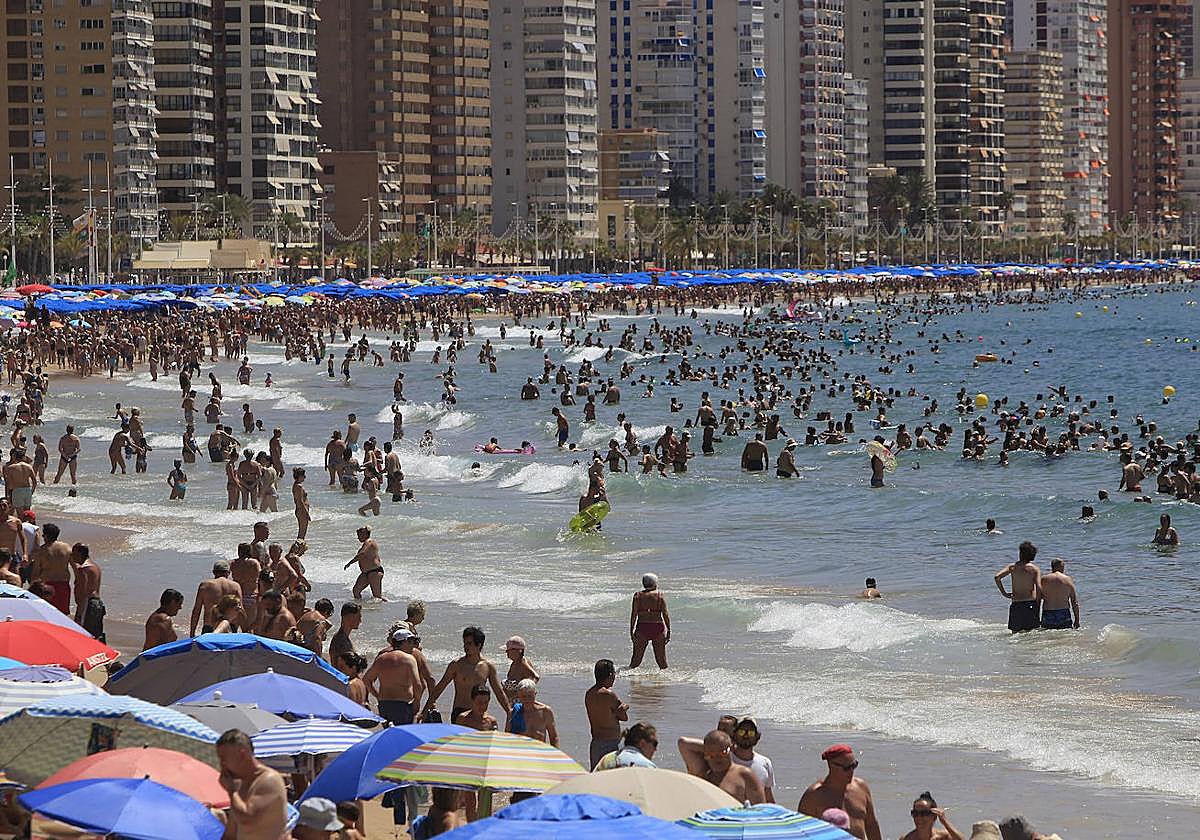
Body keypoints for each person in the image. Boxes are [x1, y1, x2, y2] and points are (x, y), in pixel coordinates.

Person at [421, 626, 511, 722]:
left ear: (479, 645)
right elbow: (440, 688)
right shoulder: (456, 665)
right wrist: (425, 710)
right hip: (459, 712)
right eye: (464, 643)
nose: (465, 646)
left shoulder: (488, 667)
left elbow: (499, 692)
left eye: (469, 643)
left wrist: (509, 711)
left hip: (479, 713)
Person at [215, 729, 289, 840]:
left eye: (224, 759)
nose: (222, 764)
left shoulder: (269, 780)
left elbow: (247, 818)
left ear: (242, 755)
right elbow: (231, 833)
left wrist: (231, 791)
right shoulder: (241, 784)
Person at [798, 744, 882, 840]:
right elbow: (801, 833)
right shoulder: (814, 796)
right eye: (846, 768)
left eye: (854, 765)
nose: (851, 771)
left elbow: (871, 825)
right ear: (831, 766)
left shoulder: (861, 787)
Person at [677, 729, 765, 804]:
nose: (717, 758)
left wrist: (715, 750)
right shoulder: (702, 773)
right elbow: (683, 743)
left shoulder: (744, 774)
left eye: (722, 753)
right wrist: (711, 748)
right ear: (705, 753)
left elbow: (761, 810)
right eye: (711, 754)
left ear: (731, 749)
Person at [363, 628, 424, 726]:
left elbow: (366, 679)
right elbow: (418, 685)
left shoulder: (381, 658)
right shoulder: (409, 659)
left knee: (388, 735)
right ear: (404, 642)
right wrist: (417, 701)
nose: (413, 645)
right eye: (411, 641)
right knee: (402, 735)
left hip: (384, 705)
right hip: (403, 705)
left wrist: (377, 695)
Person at [584, 658, 629, 768]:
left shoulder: (589, 694)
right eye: (614, 673)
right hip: (611, 742)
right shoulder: (609, 695)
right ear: (610, 675)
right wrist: (625, 707)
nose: (614, 677)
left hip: (596, 743)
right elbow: (623, 717)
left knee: (596, 776)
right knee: (612, 777)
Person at [994, 541, 1041, 634]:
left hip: (1016, 604)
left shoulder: (1012, 567)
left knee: (1015, 634)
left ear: (1020, 553)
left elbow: (997, 577)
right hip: (1030, 603)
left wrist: (1005, 594)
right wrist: (1038, 603)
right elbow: (1039, 587)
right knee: (1031, 634)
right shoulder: (1034, 569)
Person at [629, 572, 670, 669]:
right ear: (655, 583)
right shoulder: (660, 596)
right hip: (658, 628)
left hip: (642, 627)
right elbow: (665, 614)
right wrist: (669, 630)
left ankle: (628, 679)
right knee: (662, 662)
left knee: (635, 662)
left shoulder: (638, 596)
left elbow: (634, 615)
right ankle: (664, 682)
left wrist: (631, 631)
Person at [28, 522, 71, 615]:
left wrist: (31, 590)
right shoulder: (67, 548)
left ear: (46, 536)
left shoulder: (41, 551)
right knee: (62, 615)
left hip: (47, 587)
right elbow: (76, 567)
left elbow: (35, 573)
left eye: (43, 535)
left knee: (47, 614)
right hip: (64, 584)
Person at [729, 717, 776, 803]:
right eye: (741, 732)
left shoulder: (765, 763)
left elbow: (768, 798)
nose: (746, 735)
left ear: (757, 736)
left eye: (751, 732)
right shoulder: (726, 760)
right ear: (734, 734)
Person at [190, 559, 241, 636]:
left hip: (209, 626)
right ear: (228, 573)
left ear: (214, 572)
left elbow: (197, 610)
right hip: (230, 626)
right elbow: (240, 610)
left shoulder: (205, 585)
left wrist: (192, 632)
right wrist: (244, 630)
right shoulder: (235, 586)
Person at [506, 678, 558, 746]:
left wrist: (554, 755)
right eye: (524, 696)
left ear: (535, 694)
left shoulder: (545, 712)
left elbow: (554, 737)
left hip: (539, 753)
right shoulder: (513, 713)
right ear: (519, 695)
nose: (527, 700)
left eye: (530, 696)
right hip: (520, 752)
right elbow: (506, 737)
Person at [899, 792, 965, 840]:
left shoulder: (943, 837)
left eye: (924, 813)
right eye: (915, 813)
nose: (919, 818)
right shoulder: (907, 838)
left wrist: (944, 821)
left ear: (934, 816)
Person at [593, 722, 658, 770]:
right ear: (642, 743)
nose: (655, 749)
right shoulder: (648, 766)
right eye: (655, 744)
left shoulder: (605, 760)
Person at [344, 526, 386, 601]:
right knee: (356, 591)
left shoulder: (369, 542)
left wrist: (350, 563)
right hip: (366, 573)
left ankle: (387, 607)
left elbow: (362, 554)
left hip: (374, 571)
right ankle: (360, 607)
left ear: (365, 534)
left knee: (377, 597)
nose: (358, 538)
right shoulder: (365, 544)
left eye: (359, 535)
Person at [1039, 558, 1080, 629]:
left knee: (1048, 638)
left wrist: (1036, 616)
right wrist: (1077, 620)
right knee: (1065, 637)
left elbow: (1038, 598)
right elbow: (1074, 601)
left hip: (1048, 612)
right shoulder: (1067, 579)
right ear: (1060, 567)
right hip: (1063, 612)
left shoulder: (1043, 579)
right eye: (1063, 566)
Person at [69, 542, 101, 628]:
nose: (71, 556)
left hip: (87, 605)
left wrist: (79, 614)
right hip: (97, 603)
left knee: (81, 631)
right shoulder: (95, 567)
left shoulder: (83, 569)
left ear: (79, 554)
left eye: (73, 553)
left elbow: (82, 593)